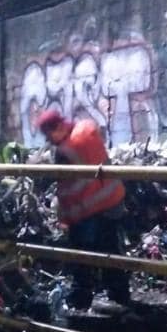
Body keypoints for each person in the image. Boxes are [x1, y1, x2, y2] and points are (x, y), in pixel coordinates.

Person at [36, 108, 132, 312]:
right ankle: (120, 295)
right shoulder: (86, 130)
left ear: (58, 127)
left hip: (89, 210)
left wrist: (65, 216)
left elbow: (66, 187)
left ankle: (80, 300)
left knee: (82, 256)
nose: (48, 139)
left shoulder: (66, 150)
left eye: (48, 134)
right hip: (112, 201)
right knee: (111, 251)